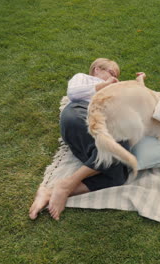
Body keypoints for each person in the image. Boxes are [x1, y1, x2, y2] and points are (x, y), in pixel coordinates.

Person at [29, 58, 146, 220]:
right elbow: (74, 94)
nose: (115, 77)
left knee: (118, 173)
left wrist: (139, 83)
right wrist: (104, 86)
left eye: (117, 75)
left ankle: (53, 190)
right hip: (80, 112)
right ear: (97, 69)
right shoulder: (83, 78)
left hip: (102, 125)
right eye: (112, 72)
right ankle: (66, 186)